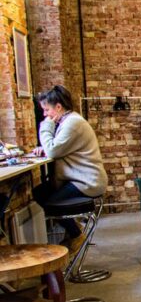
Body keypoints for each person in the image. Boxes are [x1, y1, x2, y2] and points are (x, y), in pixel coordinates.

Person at [32, 85, 107, 252]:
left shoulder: (73, 123)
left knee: (50, 204)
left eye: (46, 110)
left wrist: (45, 126)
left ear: (58, 107)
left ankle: (76, 235)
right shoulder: (69, 121)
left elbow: (54, 150)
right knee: (39, 193)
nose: (45, 115)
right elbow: (60, 147)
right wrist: (46, 148)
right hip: (79, 179)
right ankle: (74, 231)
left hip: (88, 182)